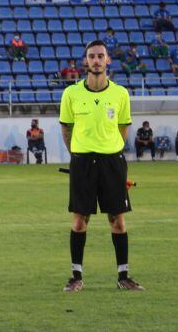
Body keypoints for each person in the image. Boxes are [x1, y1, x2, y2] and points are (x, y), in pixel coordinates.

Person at [59, 40, 142, 292]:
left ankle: (123, 276)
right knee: (79, 219)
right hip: (82, 161)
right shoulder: (71, 94)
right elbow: (66, 128)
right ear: (86, 61)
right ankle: (76, 277)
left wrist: (112, 150)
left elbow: (123, 128)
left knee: (117, 219)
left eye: (100, 56)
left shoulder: (120, 94)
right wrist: (76, 154)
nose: (96, 60)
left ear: (108, 61)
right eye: (91, 56)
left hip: (112, 161)